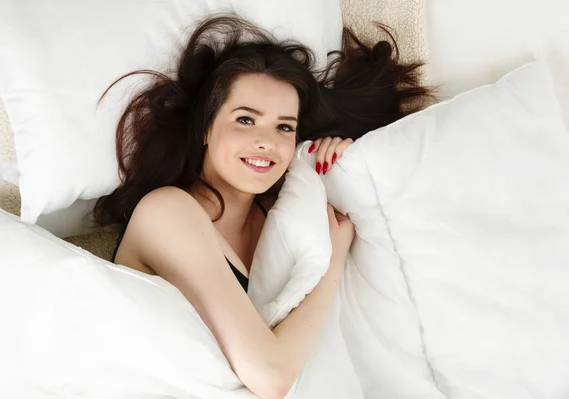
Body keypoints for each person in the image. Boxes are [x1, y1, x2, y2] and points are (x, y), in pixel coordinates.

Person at [94, 14, 431, 399]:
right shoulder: (167, 212)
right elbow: (271, 378)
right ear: (206, 127)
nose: (266, 142)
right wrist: (332, 265)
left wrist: (343, 168)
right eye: (245, 120)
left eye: (284, 127)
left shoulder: (283, 212)